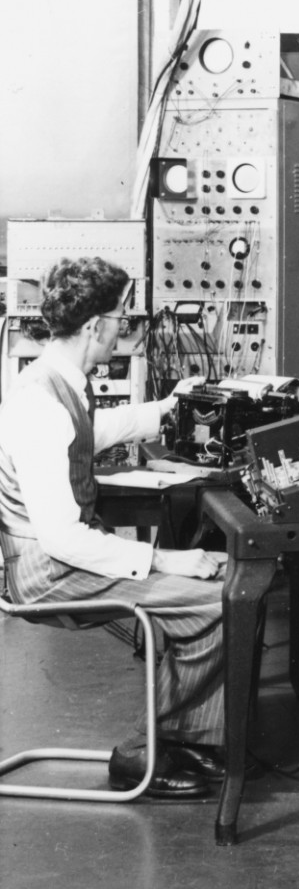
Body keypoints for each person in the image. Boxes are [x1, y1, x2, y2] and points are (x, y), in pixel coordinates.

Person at [0, 256, 227, 798]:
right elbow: (60, 538)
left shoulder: (58, 380)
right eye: (121, 314)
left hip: (63, 559)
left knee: (214, 594)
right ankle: (144, 754)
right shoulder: (39, 403)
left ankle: (181, 737)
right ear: (96, 326)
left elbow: (91, 431)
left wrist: (170, 407)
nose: (125, 325)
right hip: (48, 573)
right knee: (220, 602)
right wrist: (166, 560)